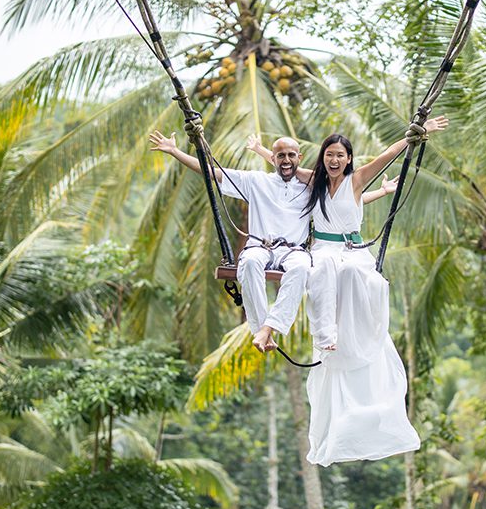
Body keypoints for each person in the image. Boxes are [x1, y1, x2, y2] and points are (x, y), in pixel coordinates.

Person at [249, 118, 448, 465]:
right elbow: (285, 162)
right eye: (329, 155)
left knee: (360, 276)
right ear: (323, 158)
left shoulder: (357, 180)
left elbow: (386, 156)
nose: (334, 160)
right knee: (322, 269)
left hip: (352, 250)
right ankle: (327, 333)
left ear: (349, 158)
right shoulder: (314, 181)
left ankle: (355, 337)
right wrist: (261, 150)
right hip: (324, 250)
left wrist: (414, 135)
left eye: (340, 155)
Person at [149, 130, 310, 353]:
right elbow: (213, 173)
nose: (286, 160)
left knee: (302, 267)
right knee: (251, 263)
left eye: (291, 155)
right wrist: (176, 152)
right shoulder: (256, 181)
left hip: (293, 251)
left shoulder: (311, 188)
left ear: (299, 159)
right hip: (261, 246)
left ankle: (268, 328)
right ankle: (263, 331)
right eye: (280, 156)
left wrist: (266, 152)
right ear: (272, 159)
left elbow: (340, 181)